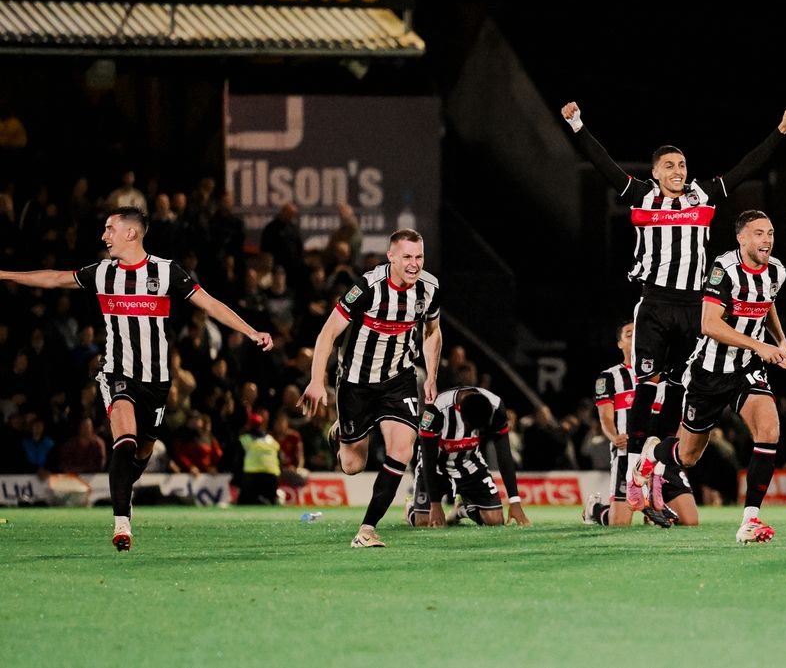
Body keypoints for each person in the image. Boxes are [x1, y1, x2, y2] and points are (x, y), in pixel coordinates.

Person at [561, 101, 786, 511]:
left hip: (695, 306)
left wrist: (779, 132)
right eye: (669, 165)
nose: (678, 171)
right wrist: (578, 124)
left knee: (679, 387)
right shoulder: (639, 194)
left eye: (682, 164)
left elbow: (745, 168)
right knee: (646, 384)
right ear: (655, 172)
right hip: (654, 303)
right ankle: (634, 469)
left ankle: (655, 473)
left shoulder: (702, 195)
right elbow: (602, 164)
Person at [0, 205, 273, 551]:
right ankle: (122, 524)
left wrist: (251, 332)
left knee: (141, 451)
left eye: (109, 229)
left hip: (157, 381)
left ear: (131, 233)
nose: (104, 236)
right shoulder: (101, 272)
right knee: (125, 438)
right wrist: (5, 274)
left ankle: (124, 489)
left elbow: (210, 304)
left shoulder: (167, 271)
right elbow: (54, 278)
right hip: (117, 373)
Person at [631, 210, 786, 544]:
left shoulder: (776, 270)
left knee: (769, 430)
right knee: (688, 456)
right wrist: (761, 345)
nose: (767, 239)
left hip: (747, 367)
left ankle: (750, 519)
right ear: (742, 238)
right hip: (709, 371)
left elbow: (767, 305)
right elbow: (709, 324)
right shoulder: (725, 270)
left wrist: (782, 342)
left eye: (770, 232)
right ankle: (652, 455)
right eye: (759, 233)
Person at [300, 228, 442, 548]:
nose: (414, 263)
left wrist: (431, 375)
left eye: (419, 256)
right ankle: (345, 432)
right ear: (391, 256)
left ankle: (367, 528)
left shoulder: (429, 289)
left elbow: (433, 331)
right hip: (356, 383)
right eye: (407, 256)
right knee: (353, 466)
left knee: (402, 450)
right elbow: (327, 334)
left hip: (399, 379)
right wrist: (316, 380)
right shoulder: (367, 288)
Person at [585, 320, 698, 527]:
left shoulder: (664, 376)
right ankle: (595, 509)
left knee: (690, 520)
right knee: (619, 523)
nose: (635, 337)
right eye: (629, 334)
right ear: (619, 343)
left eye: (639, 333)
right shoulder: (610, 376)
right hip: (628, 453)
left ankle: (653, 506)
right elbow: (606, 417)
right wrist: (614, 437)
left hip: (660, 454)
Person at [407, 386, 530, 528]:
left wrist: (514, 501)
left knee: (495, 521)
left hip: (469, 462)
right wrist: (435, 504)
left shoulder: (496, 406)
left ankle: (460, 510)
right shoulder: (435, 411)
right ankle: (411, 507)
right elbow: (428, 460)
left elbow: (504, 455)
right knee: (424, 523)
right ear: (462, 416)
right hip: (435, 466)